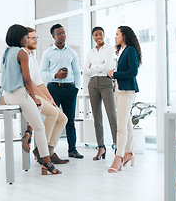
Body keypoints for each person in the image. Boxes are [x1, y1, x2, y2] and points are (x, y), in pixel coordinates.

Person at [1, 24, 61, 175]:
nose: (27, 39)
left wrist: (35, 101)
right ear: (20, 38)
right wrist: (34, 98)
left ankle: (28, 132)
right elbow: (27, 80)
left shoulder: (6, 52)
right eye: (26, 37)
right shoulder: (22, 53)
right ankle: (46, 162)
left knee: (39, 107)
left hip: (8, 96)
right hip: (20, 95)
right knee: (40, 127)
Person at [22, 27, 69, 165]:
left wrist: (51, 99)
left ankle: (48, 150)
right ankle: (42, 152)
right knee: (53, 113)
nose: (36, 40)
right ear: (25, 39)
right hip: (28, 94)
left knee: (63, 118)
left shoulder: (32, 57)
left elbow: (39, 82)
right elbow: (29, 83)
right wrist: (46, 99)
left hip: (36, 91)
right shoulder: (22, 55)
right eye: (33, 38)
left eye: (37, 37)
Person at [40, 24, 84, 159]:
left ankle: (72, 149)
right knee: (51, 119)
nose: (63, 35)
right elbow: (42, 73)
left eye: (64, 33)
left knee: (70, 120)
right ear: (53, 36)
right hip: (53, 89)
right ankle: (45, 151)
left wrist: (76, 88)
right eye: (59, 33)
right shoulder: (47, 53)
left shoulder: (71, 52)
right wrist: (55, 76)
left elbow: (77, 71)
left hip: (70, 89)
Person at [107, 25, 142, 173]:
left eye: (117, 34)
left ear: (124, 36)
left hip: (126, 92)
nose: (115, 37)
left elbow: (133, 72)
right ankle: (128, 153)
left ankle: (118, 157)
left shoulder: (130, 50)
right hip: (119, 91)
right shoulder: (122, 50)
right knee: (126, 123)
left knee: (120, 126)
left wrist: (114, 74)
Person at [84, 26, 117, 161]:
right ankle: (101, 147)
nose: (98, 37)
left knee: (112, 115)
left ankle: (117, 146)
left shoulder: (109, 49)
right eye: (96, 35)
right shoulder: (90, 52)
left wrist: (94, 68)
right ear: (93, 37)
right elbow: (86, 69)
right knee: (97, 118)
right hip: (92, 84)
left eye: (100, 34)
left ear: (104, 35)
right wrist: (97, 68)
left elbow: (106, 66)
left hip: (105, 82)